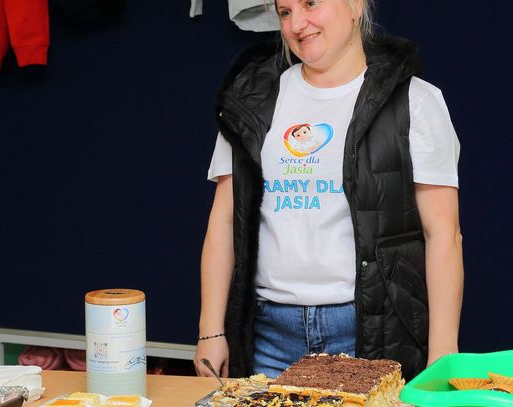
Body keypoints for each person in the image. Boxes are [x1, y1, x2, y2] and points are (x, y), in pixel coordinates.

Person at [194, 0, 463, 381]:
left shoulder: (415, 100)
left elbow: (444, 235)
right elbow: (223, 222)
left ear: (355, 6)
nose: (297, 24)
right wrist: (210, 331)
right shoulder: (249, 99)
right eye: (285, 12)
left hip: (369, 334)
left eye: (310, 3)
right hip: (269, 336)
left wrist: (442, 354)